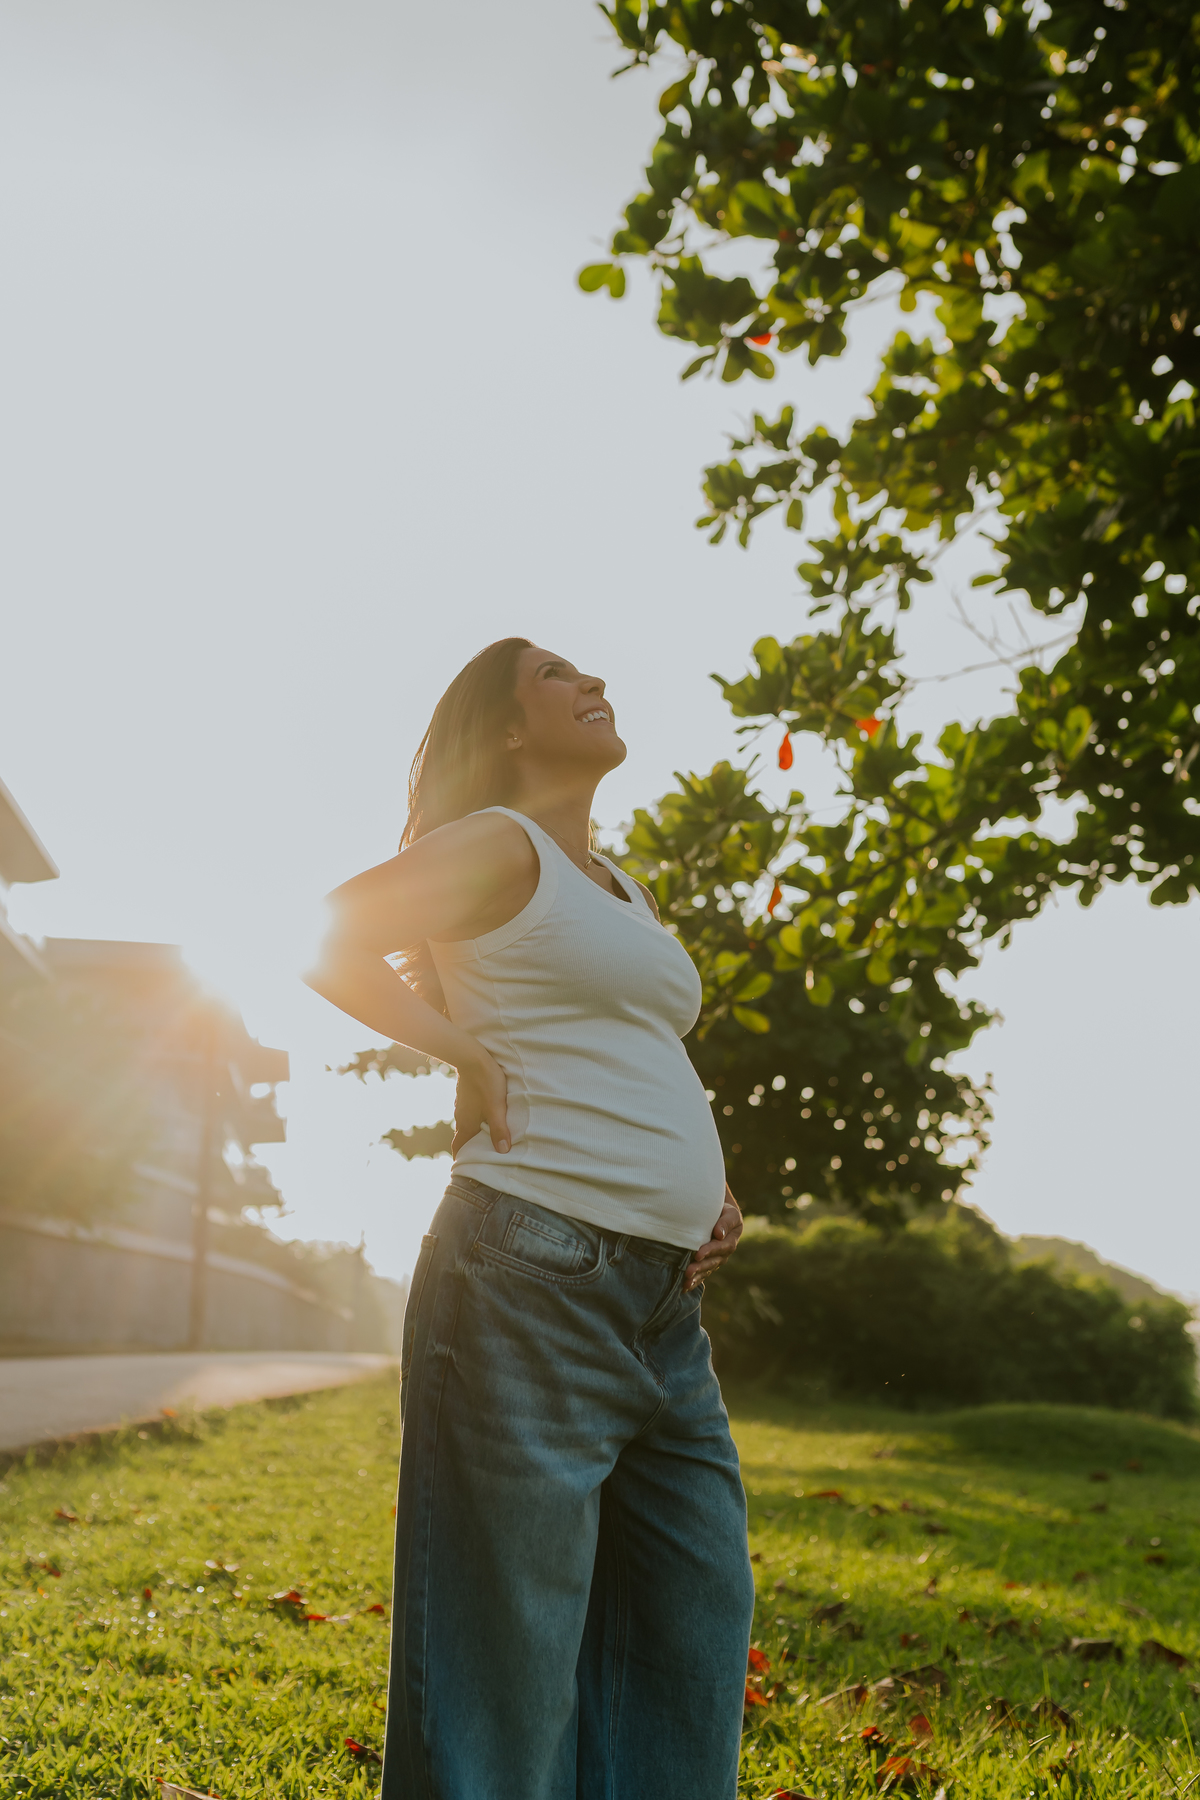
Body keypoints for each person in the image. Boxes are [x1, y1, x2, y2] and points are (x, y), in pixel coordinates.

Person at [306, 637, 754, 1800]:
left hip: (662, 1306)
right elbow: (329, 932)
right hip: (530, 1272)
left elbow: (630, 1049)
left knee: (686, 1632)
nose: (590, 681)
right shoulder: (498, 846)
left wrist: (709, 1190)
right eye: (555, 674)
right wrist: (457, 1045)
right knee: (502, 1667)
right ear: (505, 730)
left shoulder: (624, 889)